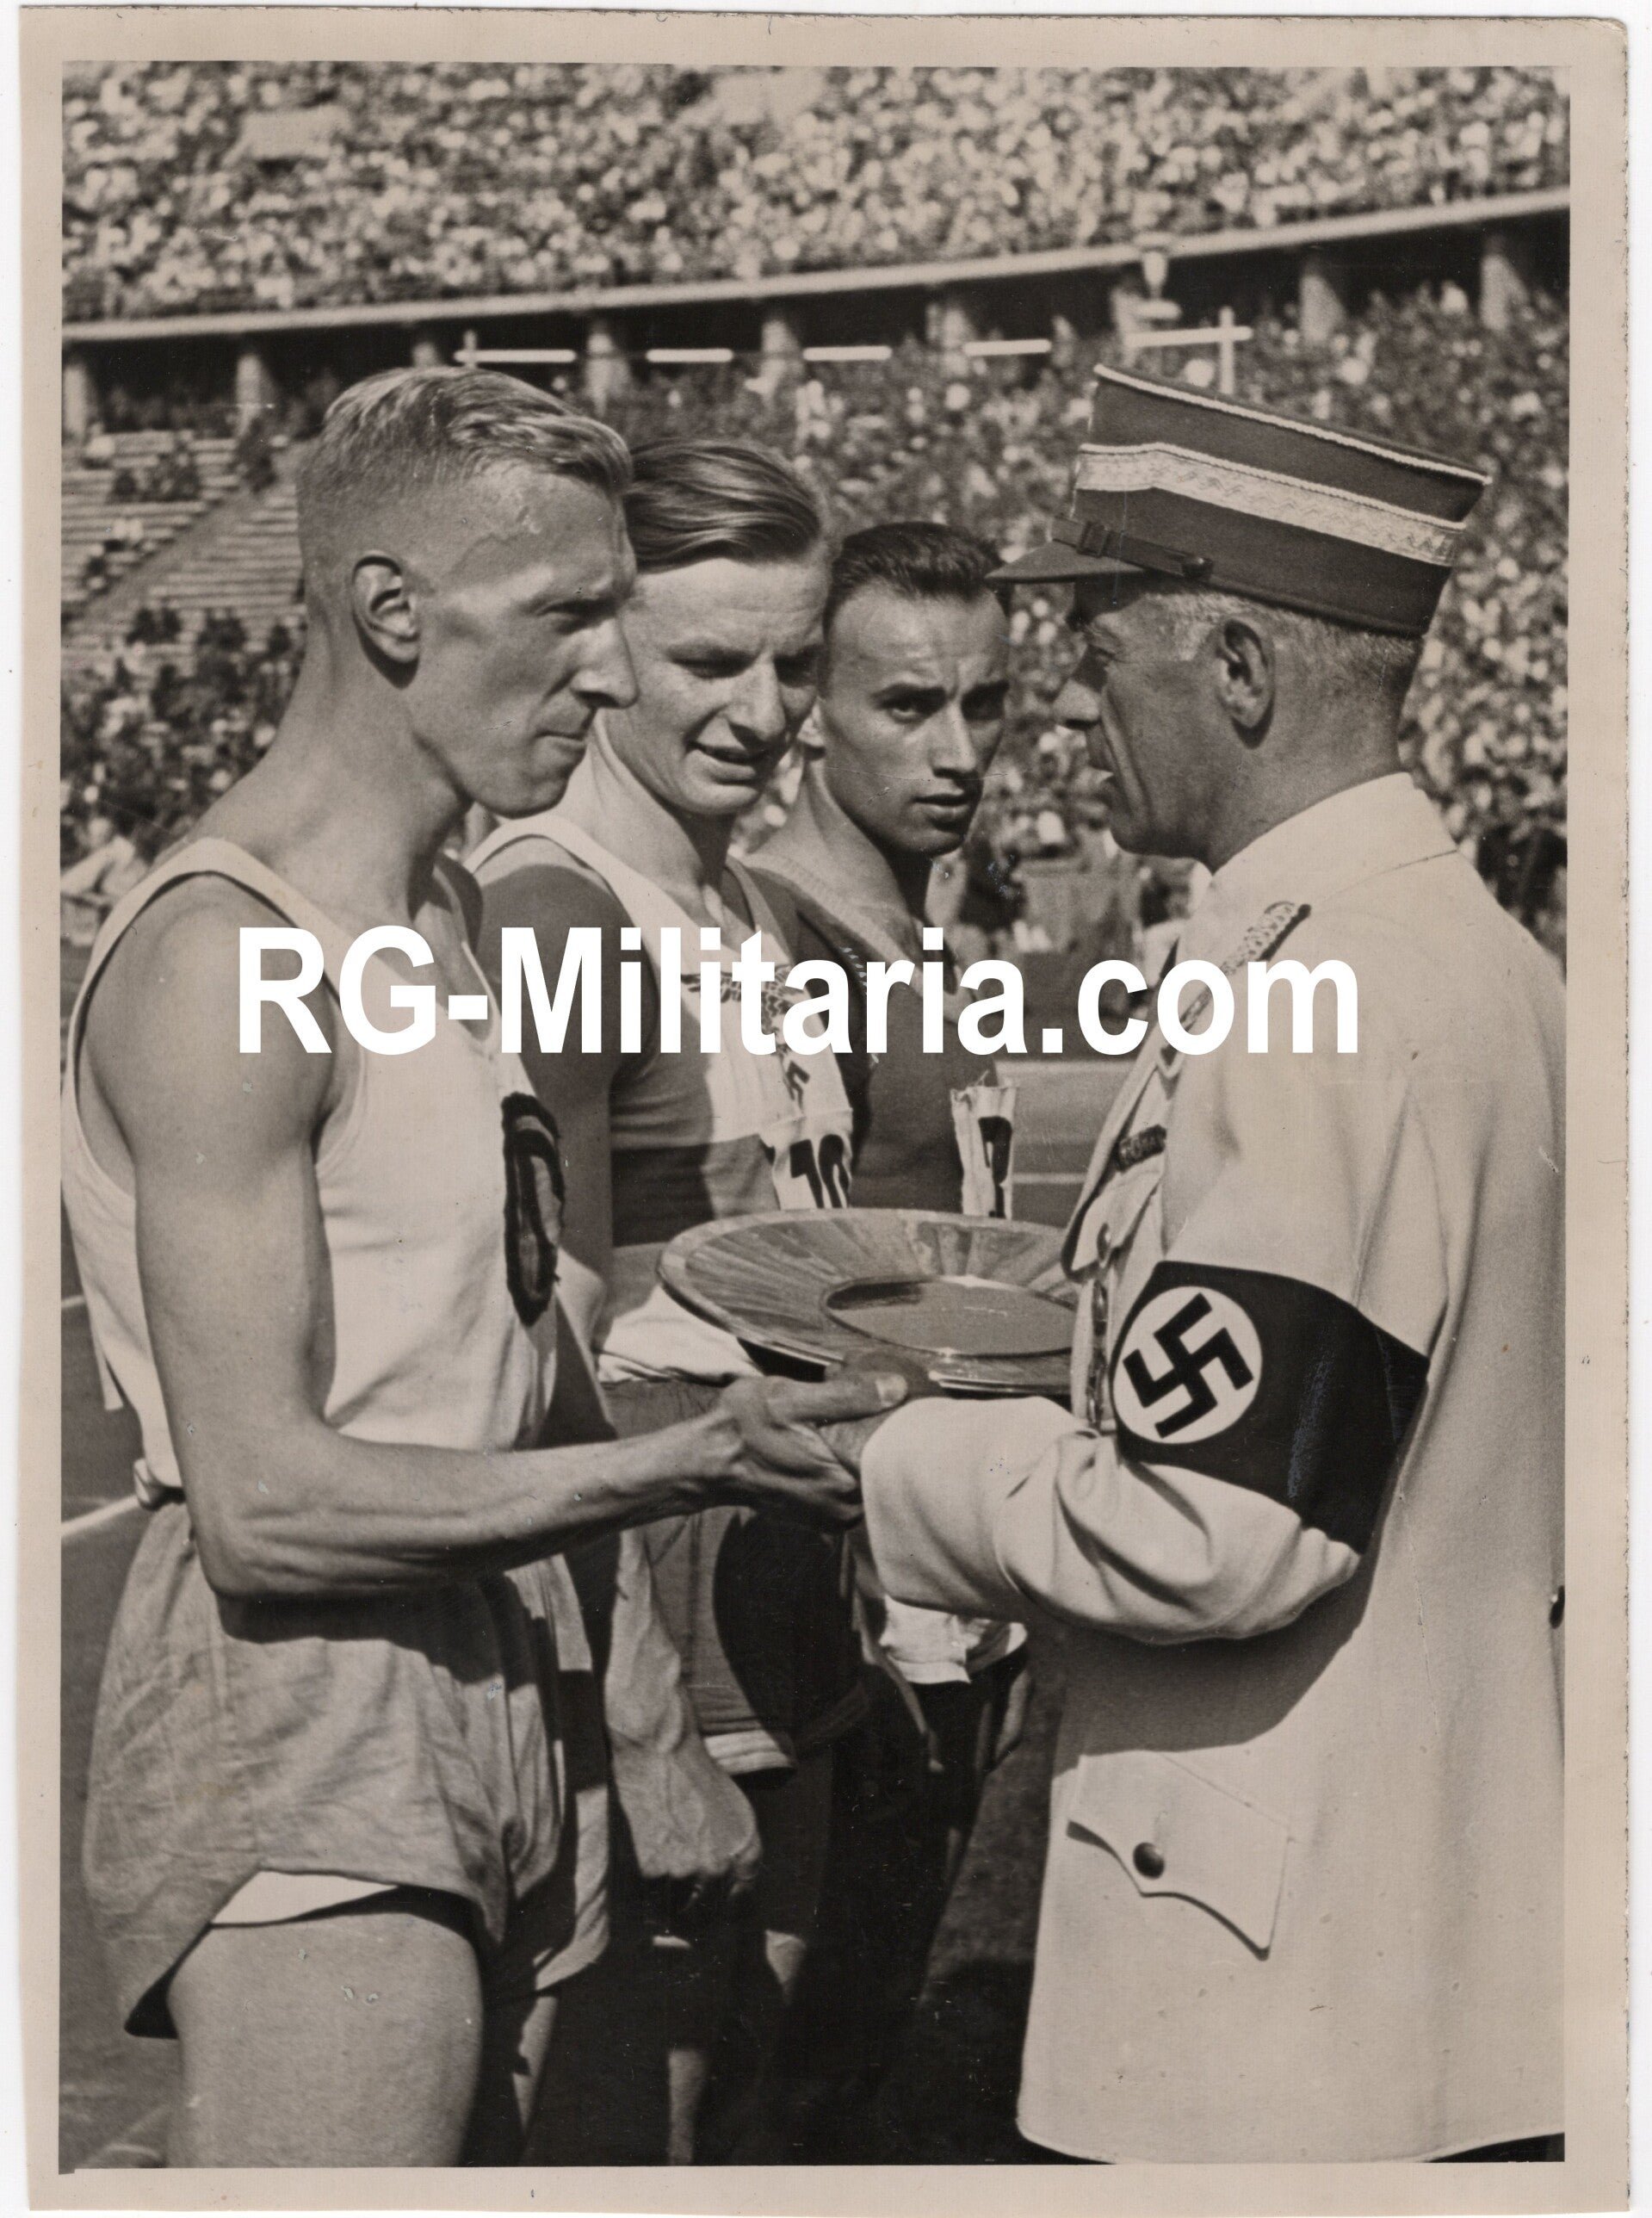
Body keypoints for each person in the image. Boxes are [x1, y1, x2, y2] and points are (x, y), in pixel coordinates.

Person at [61, 369, 901, 2169]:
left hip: (518, 1651)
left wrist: (626, 1687)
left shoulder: (441, 912)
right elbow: (264, 1507)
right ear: (389, 616)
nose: (610, 673)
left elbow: (514, 1342)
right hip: (313, 1686)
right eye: (569, 617)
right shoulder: (227, 955)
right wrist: (669, 1465)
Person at [840, 367, 1564, 2161]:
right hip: (1434, 1918)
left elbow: (1218, 1523)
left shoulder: (1321, 1003)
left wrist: (898, 1463)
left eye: (1105, 664)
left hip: (1261, 1951)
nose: (1079, 720)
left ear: (1236, 670)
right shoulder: (1477, 963)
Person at [472, 437, 864, 2163]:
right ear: (609, 645)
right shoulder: (560, 906)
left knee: (757, 2106)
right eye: (713, 659)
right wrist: (640, 1719)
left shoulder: (754, 904)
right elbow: (529, 1334)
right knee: (658, 2134)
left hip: (790, 1587)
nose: (768, 706)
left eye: (793, 659)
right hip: (654, 1605)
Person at [749, 520, 1036, 2143]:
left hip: (967, 1587)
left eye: (985, 706)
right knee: (830, 2079)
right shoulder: (788, 947)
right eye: (906, 706)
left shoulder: (931, 946)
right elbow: (798, 1319)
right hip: (873, 1615)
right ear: (814, 711)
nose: (957, 752)